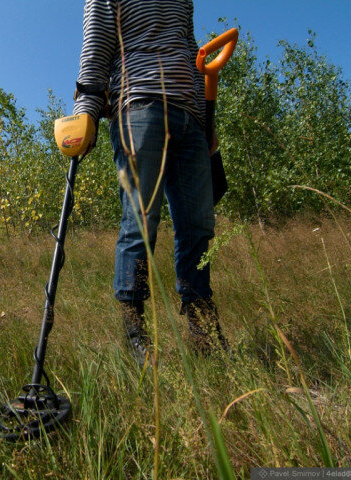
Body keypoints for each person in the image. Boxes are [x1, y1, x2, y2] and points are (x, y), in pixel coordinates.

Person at [73, 0, 228, 366]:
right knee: (141, 221)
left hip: (190, 118)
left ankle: (202, 327)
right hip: (139, 105)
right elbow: (96, 47)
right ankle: (134, 331)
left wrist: (207, 123)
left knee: (198, 226)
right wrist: (86, 112)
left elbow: (193, 56)